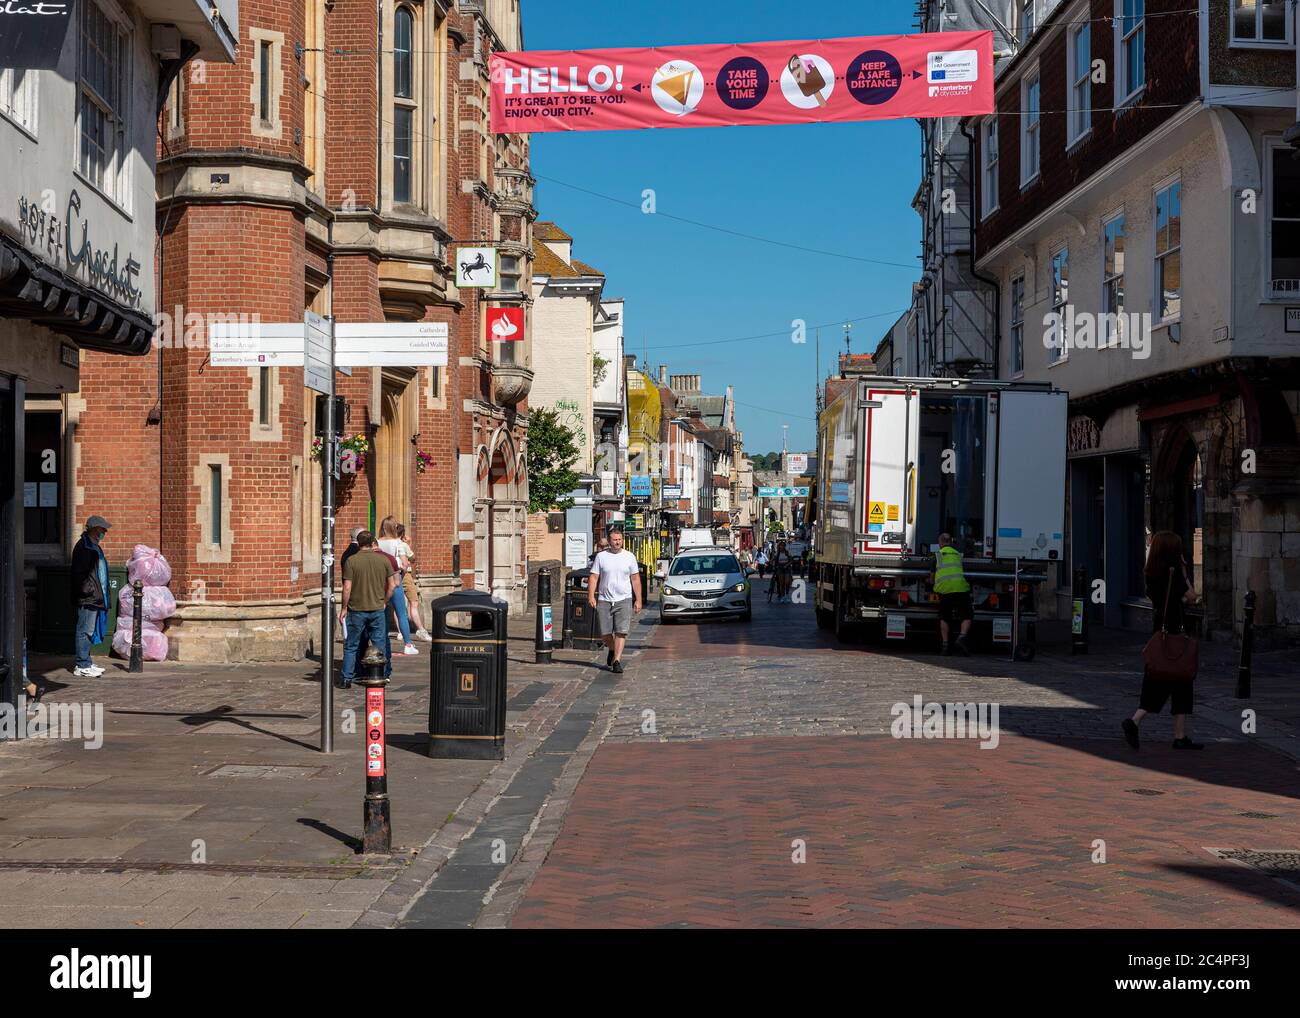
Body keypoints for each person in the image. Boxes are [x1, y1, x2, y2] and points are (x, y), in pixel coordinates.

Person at [1123, 531, 1202, 751]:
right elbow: (1192, 596)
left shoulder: (1151, 571)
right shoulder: (1174, 572)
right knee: (1176, 676)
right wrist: (1185, 573)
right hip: (1175, 628)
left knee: (1169, 678)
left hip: (1160, 628)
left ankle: (1179, 735)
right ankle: (1136, 721)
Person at [339, 531, 397, 688]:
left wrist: (344, 608)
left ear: (358, 544)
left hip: (356, 609)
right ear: (373, 543)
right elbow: (392, 585)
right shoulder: (383, 560)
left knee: (351, 646)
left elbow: (347, 588)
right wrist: (384, 601)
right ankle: (381, 675)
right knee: (380, 644)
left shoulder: (351, 561)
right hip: (377, 609)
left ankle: (346, 678)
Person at [587, 527, 641, 673]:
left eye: (619, 540)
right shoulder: (601, 557)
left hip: (624, 598)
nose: (617, 542)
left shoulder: (629, 556)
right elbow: (593, 577)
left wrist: (638, 600)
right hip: (604, 599)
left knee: (621, 632)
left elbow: (635, 579)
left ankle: (617, 660)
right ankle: (611, 648)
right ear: (609, 541)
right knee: (605, 633)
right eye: (614, 540)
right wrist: (591, 595)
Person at [68, 515, 112, 677]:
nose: (105, 532)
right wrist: (88, 592)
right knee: (84, 630)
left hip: (95, 596)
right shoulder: (84, 547)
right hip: (89, 597)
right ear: (94, 529)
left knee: (90, 629)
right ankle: (82, 665)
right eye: (102, 529)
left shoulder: (94, 546)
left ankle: (86, 661)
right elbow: (79, 574)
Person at [377, 516, 418, 656]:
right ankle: (408, 644)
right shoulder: (398, 543)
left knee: (382, 612)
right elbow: (405, 563)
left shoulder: (376, 542)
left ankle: (380, 644)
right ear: (394, 528)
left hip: (379, 580)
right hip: (395, 578)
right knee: (401, 613)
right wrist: (402, 566)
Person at [934, 532, 972, 656]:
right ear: (951, 542)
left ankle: (945, 645)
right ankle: (961, 637)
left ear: (940, 543)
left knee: (945, 617)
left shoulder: (937, 555)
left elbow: (931, 575)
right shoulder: (958, 555)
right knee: (967, 614)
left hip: (945, 590)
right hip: (961, 588)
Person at [394, 524, 431, 641]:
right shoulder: (403, 545)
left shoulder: (386, 544)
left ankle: (400, 632)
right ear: (402, 534)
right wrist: (409, 544)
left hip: (391, 573)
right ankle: (420, 629)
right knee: (413, 602)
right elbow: (413, 558)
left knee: (396, 604)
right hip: (405, 575)